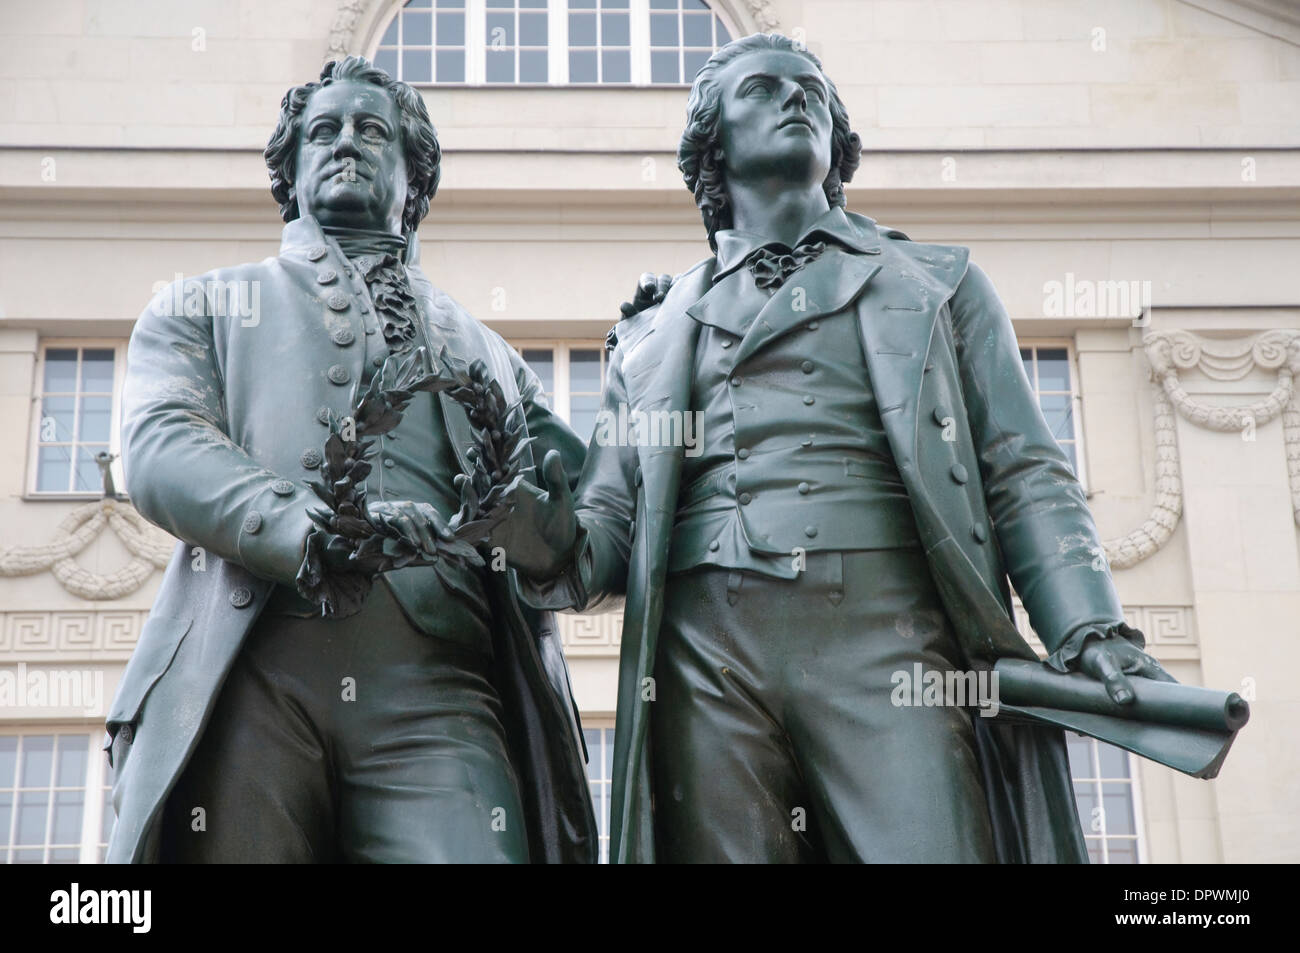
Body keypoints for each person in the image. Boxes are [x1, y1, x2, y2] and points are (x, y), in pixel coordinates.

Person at [506, 33, 1174, 863]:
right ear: (712, 144)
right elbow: (604, 534)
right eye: (764, 89)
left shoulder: (937, 281)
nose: (797, 98)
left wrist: (1090, 627)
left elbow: (1024, 469)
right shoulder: (649, 332)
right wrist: (526, 525)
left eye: (813, 91)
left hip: (888, 638)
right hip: (703, 659)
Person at [104, 56, 595, 863]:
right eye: (322, 131)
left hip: (441, 685)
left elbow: (581, 519)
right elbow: (159, 445)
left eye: (372, 130)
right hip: (252, 669)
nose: (344, 143)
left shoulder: (497, 357)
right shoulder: (202, 304)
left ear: (416, 178)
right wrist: (305, 527)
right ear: (289, 175)